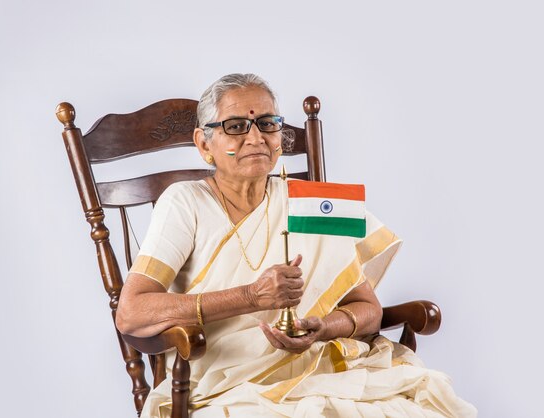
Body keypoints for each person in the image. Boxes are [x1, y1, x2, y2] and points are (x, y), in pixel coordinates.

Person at [115, 73, 476, 417]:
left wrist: (326, 326)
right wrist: (250, 297)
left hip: (325, 362)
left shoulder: (313, 202)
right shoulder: (185, 202)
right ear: (204, 143)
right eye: (236, 126)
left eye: (268, 123)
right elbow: (131, 312)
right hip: (228, 379)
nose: (256, 137)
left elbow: (368, 309)